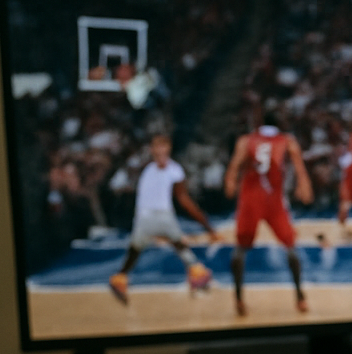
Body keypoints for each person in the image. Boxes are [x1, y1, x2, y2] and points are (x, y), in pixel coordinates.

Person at [108, 134, 216, 305]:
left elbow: (183, 199)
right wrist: (207, 227)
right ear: (151, 150)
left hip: (160, 215)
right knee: (163, 243)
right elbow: (181, 200)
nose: (160, 150)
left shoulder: (173, 170)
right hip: (146, 216)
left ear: (169, 148)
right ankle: (197, 272)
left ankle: (120, 277)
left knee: (146, 247)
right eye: (156, 147)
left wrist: (204, 223)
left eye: (163, 146)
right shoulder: (148, 169)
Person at [223, 116, 314, 316]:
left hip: (251, 200)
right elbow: (299, 166)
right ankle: (300, 296)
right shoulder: (288, 140)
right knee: (291, 247)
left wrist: (230, 181)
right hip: (273, 200)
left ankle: (238, 298)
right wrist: (305, 185)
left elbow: (235, 164)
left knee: (240, 249)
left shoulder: (246, 140)